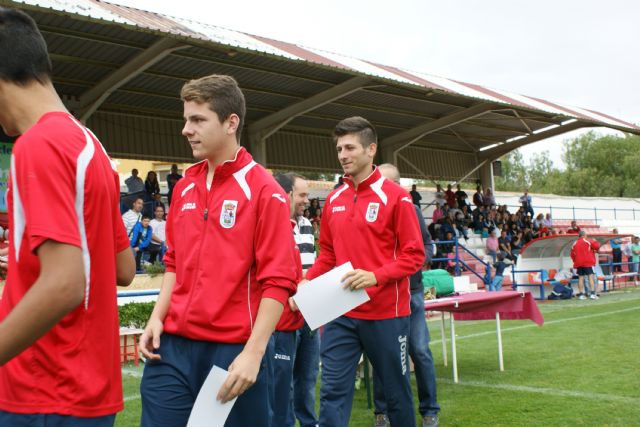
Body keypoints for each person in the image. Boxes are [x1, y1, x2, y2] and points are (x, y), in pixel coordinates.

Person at [0, 8, 136, 425]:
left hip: (43, 388)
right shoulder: (91, 145)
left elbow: (64, 285)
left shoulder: (37, 144)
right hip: (87, 389)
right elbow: (124, 268)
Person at [138, 74, 296, 427]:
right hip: (173, 347)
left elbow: (279, 281)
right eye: (186, 120)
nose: (186, 130)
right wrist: (157, 317)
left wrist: (254, 354)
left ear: (230, 123)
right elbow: (173, 263)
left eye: (197, 120)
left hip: (231, 349)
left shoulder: (264, 191)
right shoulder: (183, 188)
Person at [302, 117, 424, 427]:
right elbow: (327, 254)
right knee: (331, 391)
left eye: (350, 147)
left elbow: (414, 255)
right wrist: (307, 281)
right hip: (341, 311)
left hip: (386, 314)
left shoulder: (397, 198)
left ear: (371, 149)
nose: (343, 154)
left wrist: (376, 276)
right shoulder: (333, 199)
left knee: (396, 394)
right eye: (339, 148)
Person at [374, 163, 440, 427]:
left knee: (420, 351)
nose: (380, 186)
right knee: (383, 353)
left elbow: (427, 245)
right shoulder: (373, 208)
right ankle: (382, 412)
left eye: (385, 182)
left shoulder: (411, 209)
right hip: (383, 295)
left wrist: (415, 262)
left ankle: (429, 410)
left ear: (397, 185)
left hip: (411, 292)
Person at [270, 173, 305, 427]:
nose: (305, 201)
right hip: (278, 327)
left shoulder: (289, 229)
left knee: (285, 395)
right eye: (301, 195)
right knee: (276, 400)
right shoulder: (273, 231)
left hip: (290, 325)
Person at [288, 175, 320, 427]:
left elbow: (311, 267)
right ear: (287, 194)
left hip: (310, 311)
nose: (307, 201)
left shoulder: (307, 224)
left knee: (308, 376)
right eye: (302, 195)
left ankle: (309, 423)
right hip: (286, 314)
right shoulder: (273, 224)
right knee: (285, 379)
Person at [570, 230, 600, 300]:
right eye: (586, 235)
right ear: (584, 235)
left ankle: (581, 294)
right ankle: (592, 294)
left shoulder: (575, 243)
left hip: (579, 263)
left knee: (580, 278)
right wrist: (595, 241)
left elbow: (572, 255)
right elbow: (597, 246)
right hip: (588, 262)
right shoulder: (588, 241)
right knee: (590, 277)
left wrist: (576, 261)